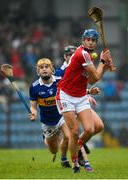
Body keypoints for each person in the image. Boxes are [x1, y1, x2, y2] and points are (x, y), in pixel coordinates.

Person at [55, 29, 113, 173]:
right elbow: (95, 77)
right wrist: (103, 62)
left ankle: (78, 146)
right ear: (83, 40)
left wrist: (104, 66)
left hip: (80, 96)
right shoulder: (82, 54)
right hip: (66, 95)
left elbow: (92, 79)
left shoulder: (88, 56)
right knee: (74, 132)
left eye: (93, 41)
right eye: (88, 40)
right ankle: (75, 160)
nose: (91, 42)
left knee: (90, 129)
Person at [29, 58, 71, 168]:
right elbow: (33, 107)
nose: (44, 69)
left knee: (68, 136)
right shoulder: (34, 87)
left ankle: (64, 159)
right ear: (38, 71)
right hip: (47, 121)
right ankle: (46, 138)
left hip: (61, 114)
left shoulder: (59, 79)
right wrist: (33, 113)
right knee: (53, 150)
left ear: (51, 69)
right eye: (41, 68)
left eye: (46, 67)